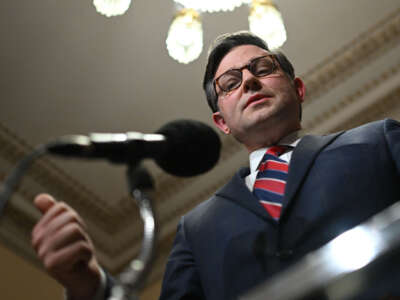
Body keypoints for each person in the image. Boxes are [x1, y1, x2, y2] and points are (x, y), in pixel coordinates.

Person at [31, 31, 400, 300]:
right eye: (230, 82)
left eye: (262, 67)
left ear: (298, 88)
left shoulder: (378, 139)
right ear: (221, 121)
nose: (250, 81)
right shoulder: (195, 228)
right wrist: (89, 286)